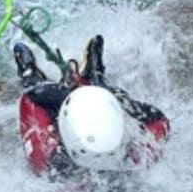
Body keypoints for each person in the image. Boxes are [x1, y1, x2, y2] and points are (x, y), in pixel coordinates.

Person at [14, 35, 170, 177]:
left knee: (34, 91)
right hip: (87, 111)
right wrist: (115, 101)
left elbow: (30, 102)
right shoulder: (139, 156)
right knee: (114, 96)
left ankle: (31, 75)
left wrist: (33, 83)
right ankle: (95, 80)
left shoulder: (46, 160)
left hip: (63, 118)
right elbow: (159, 121)